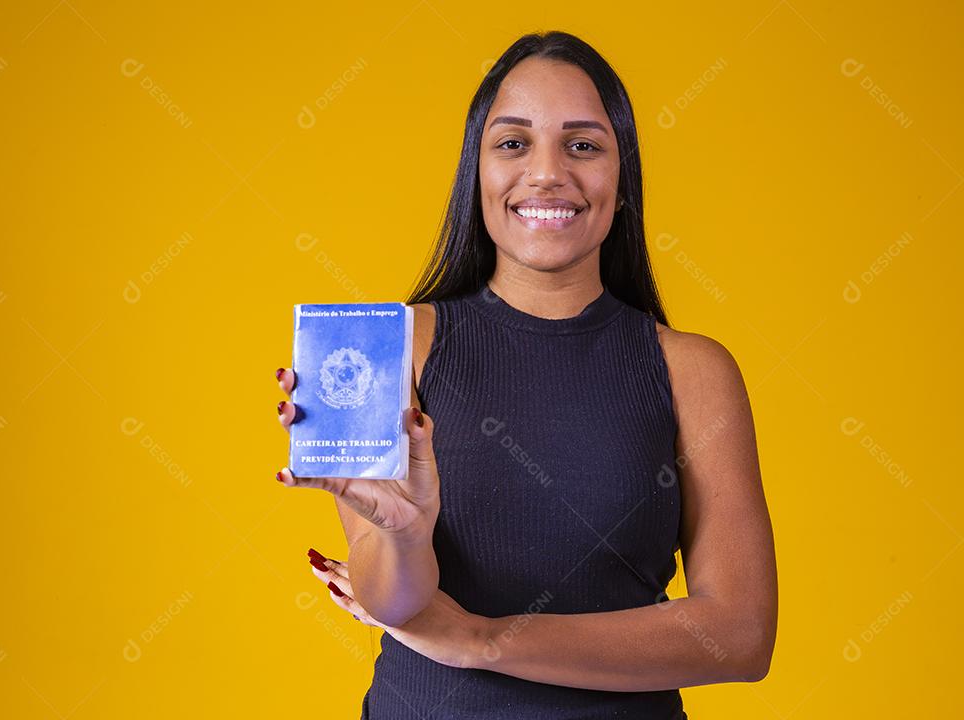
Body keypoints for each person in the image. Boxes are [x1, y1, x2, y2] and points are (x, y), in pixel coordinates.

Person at [274, 30, 777, 720]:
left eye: (583, 145)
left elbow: (740, 636)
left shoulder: (692, 370)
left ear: (621, 176)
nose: (547, 173)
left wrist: (484, 640)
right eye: (513, 143)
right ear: (475, 174)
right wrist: (404, 533)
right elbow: (393, 605)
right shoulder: (392, 344)